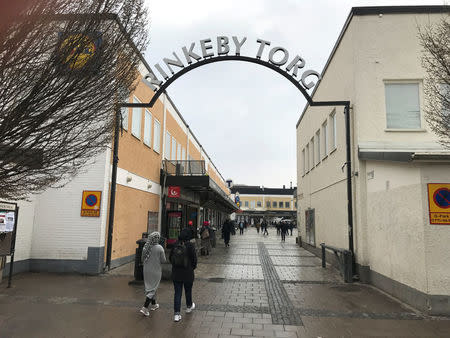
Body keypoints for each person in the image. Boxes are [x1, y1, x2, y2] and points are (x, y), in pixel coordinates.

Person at [170, 228, 197, 322]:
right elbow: (194, 260)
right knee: (188, 291)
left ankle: (176, 314)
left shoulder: (175, 244)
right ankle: (189, 307)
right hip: (188, 273)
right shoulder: (190, 245)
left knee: (177, 293)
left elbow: (170, 258)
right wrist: (192, 268)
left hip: (176, 273)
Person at [140, 232, 166, 317]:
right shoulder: (159, 248)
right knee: (153, 288)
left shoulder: (146, 247)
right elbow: (163, 260)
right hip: (156, 270)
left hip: (146, 270)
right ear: (157, 239)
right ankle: (145, 308)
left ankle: (154, 304)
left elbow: (142, 258)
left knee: (150, 286)